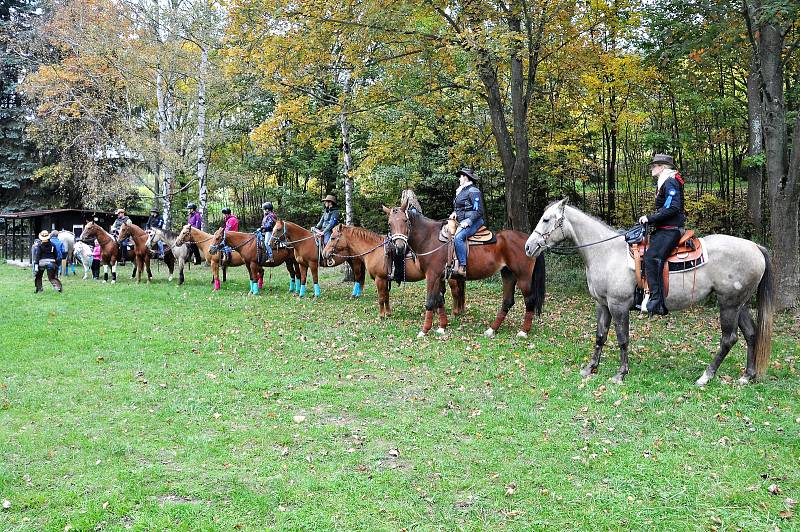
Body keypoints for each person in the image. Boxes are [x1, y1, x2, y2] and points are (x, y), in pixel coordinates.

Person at [638, 153, 685, 316]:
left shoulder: (670, 182)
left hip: (671, 229)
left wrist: (650, 218)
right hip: (664, 228)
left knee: (652, 257)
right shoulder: (664, 182)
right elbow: (665, 208)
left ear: (663, 167)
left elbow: (673, 208)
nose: (652, 168)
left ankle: (656, 301)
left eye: (655, 165)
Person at [451, 168, 485, 277]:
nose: (459, 178)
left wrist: (469, 221)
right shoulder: (462, 190)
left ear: (466, 177)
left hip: (474, 221)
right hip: (461, 220)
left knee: (458, 238)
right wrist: (454, 212)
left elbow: (479, 210)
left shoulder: (473, 191)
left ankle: (462, 266)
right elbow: (461, 207)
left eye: (461, 176)